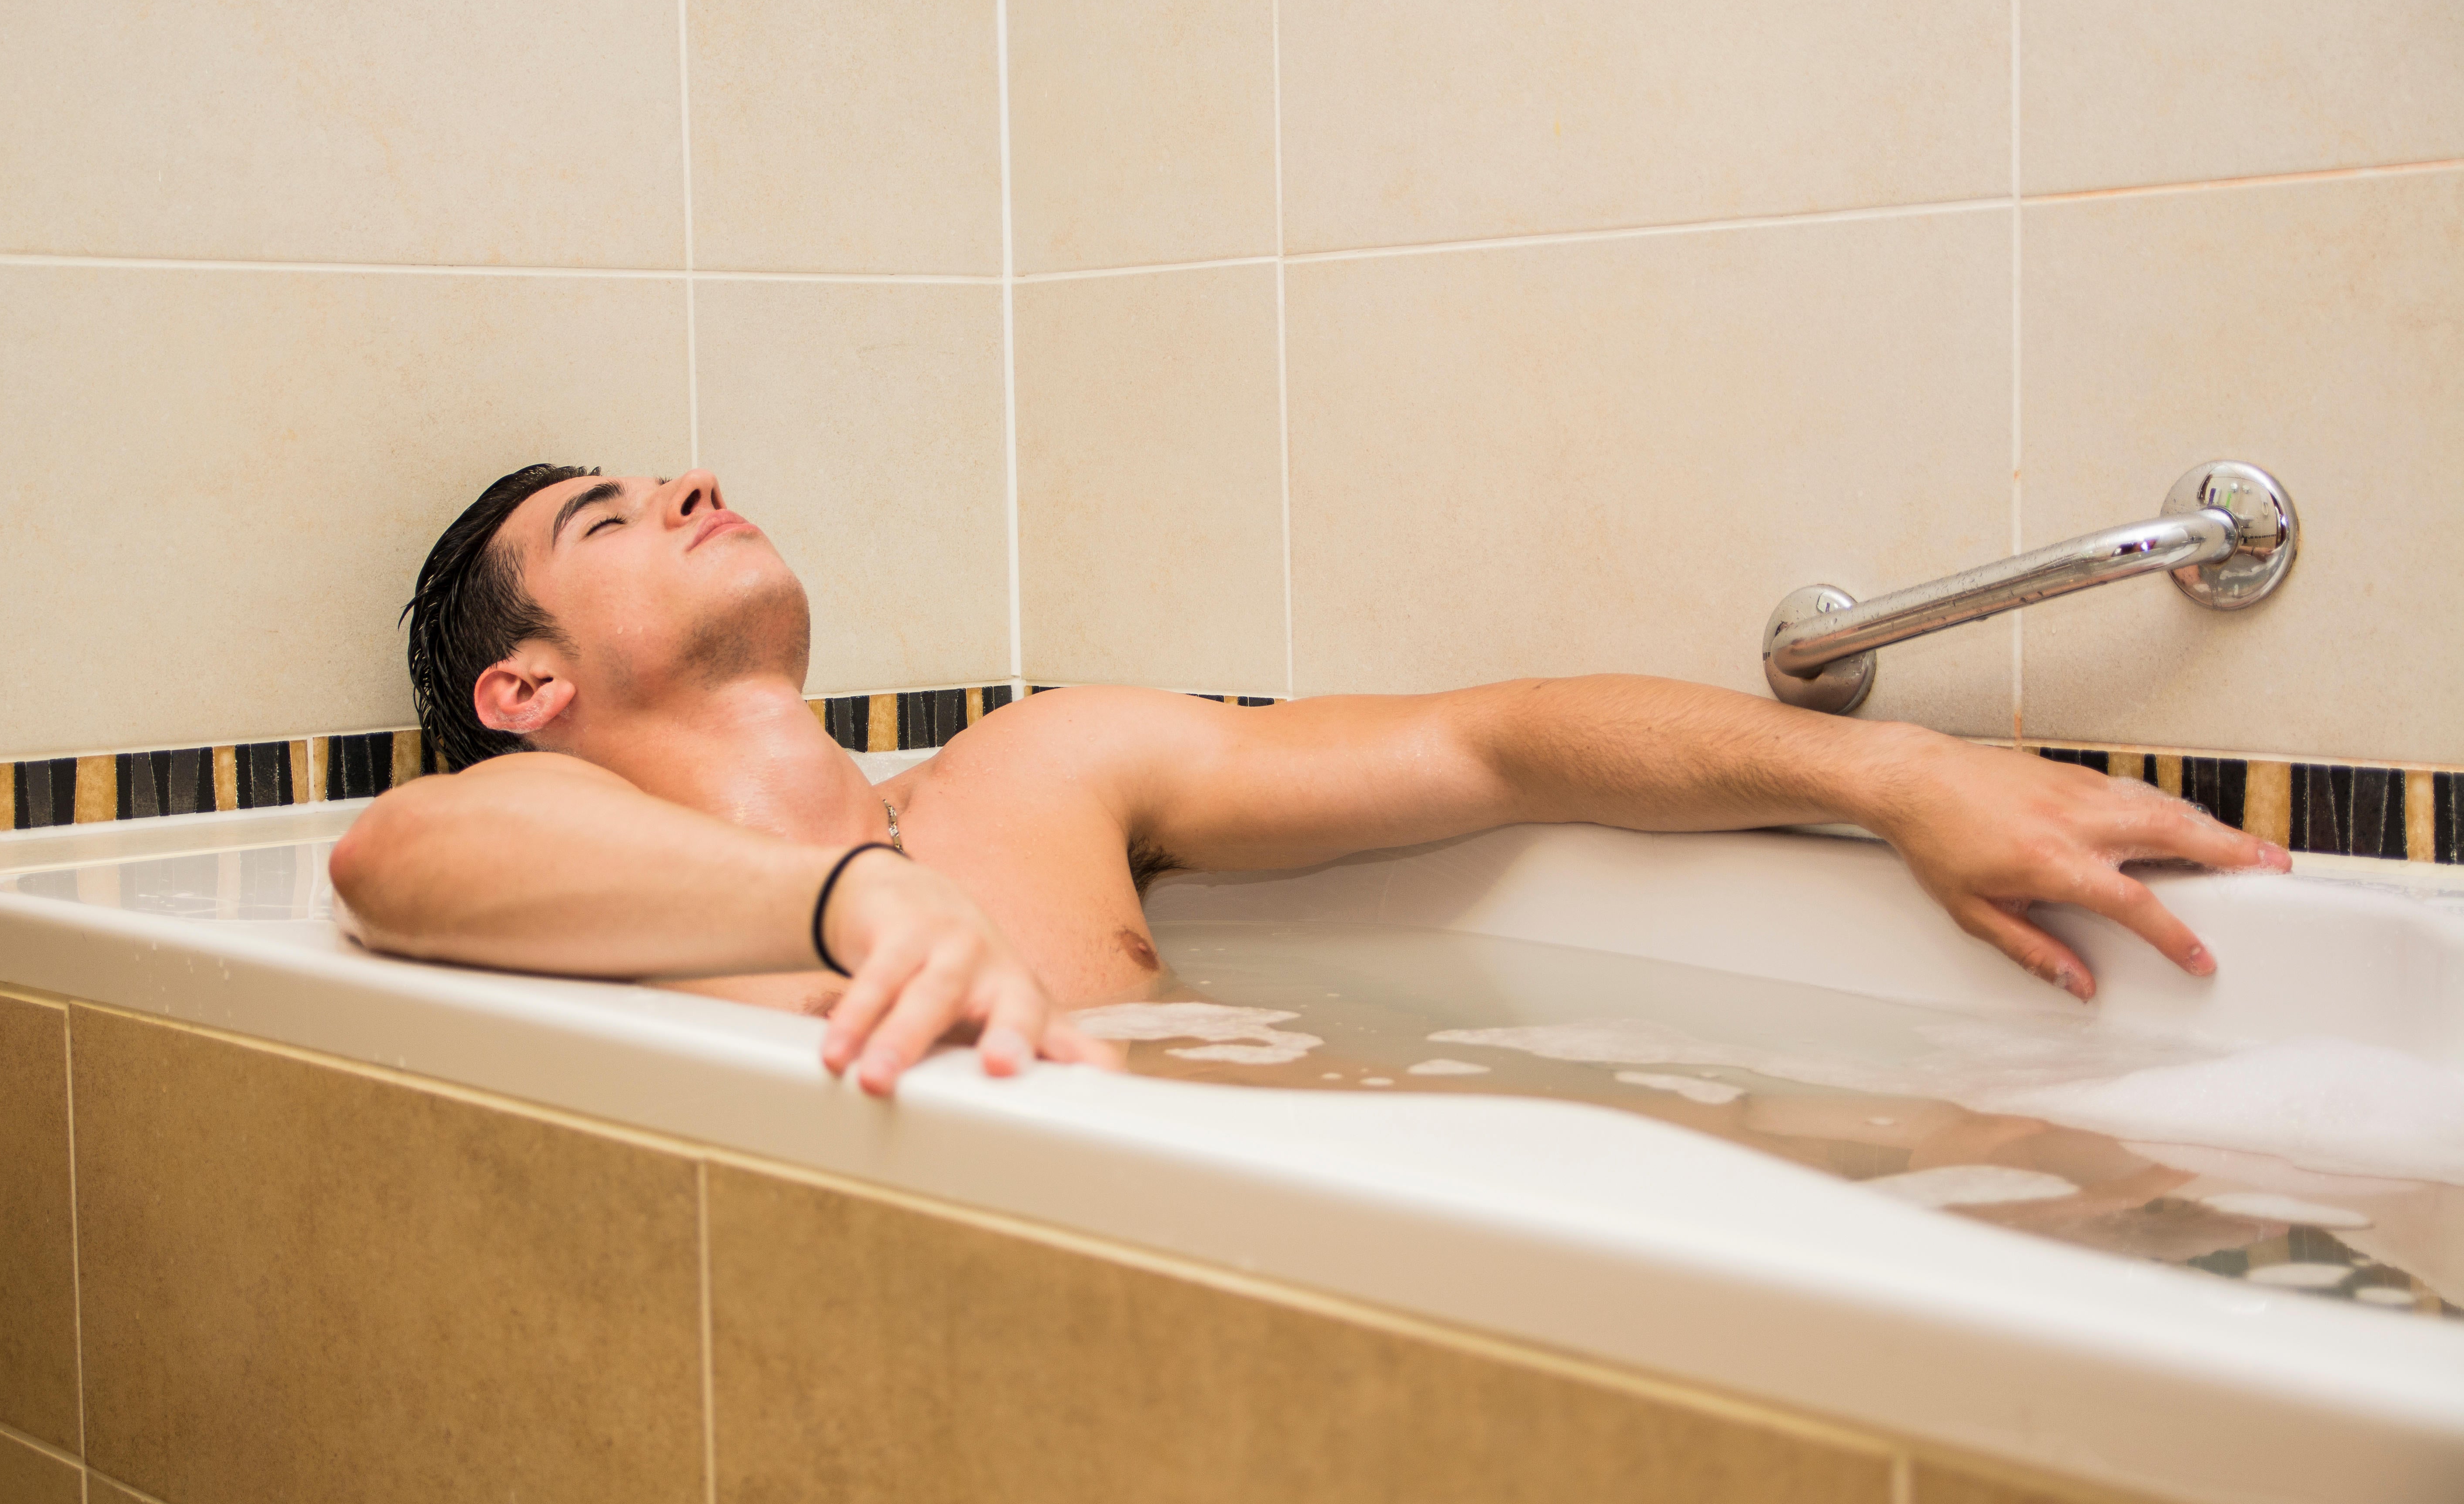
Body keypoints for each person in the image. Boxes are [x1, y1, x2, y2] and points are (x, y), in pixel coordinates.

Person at [331, 464, 2287, 1097]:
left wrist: (1901, 776)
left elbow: (1496, 740)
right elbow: (397, 856)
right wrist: (845, 907)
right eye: (611, 515)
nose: (686, 484)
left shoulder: (1031, 777)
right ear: (529, 682)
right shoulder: (550, 853)